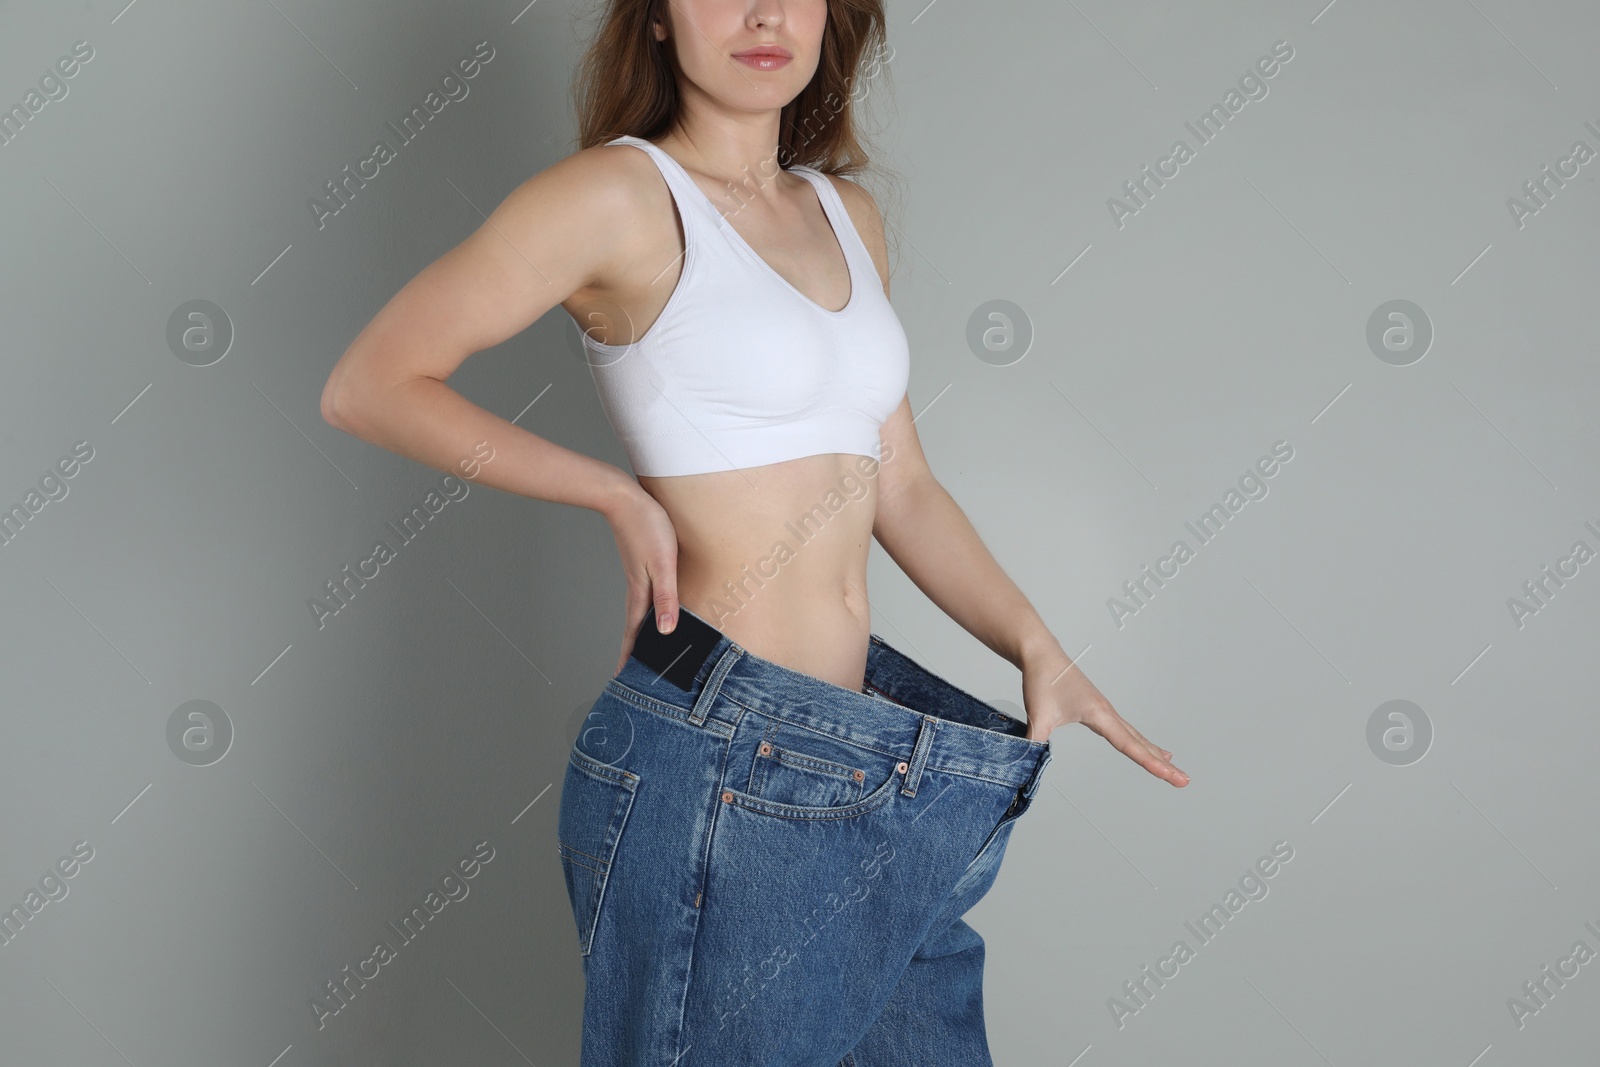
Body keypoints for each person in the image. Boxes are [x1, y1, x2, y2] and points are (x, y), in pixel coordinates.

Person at [321, 2, 1188, 1063]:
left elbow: (902, 482)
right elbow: (371, 385)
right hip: (722, 756)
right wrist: (613, 493)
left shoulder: (845, 214)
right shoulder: (616, 198)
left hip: (871, 758)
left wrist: (1035, 643)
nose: (765, 13)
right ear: (654, 19)